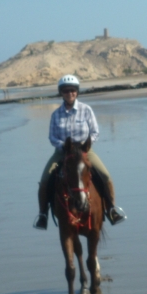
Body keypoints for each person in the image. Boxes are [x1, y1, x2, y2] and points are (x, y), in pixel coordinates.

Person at [33, 75, 127, 229]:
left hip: (84, 152)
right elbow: (52, 137)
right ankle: (43, 215)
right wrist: (63, 146)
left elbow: (95, 132)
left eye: (72, 90)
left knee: (106, 176)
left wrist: (85, 145)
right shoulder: (56, 114)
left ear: (77, 92)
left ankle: (112, 209)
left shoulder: (86, 110)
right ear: (61, 93)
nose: (69, 93)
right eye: (65, 91)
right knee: (44, 181)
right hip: (62, 152)